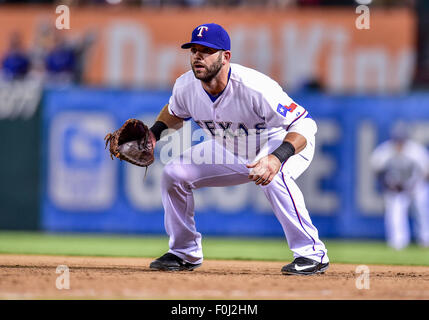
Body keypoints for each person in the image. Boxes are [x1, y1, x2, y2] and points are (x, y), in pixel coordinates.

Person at [147, 23, 329, 275]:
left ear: (225, 57)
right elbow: (175, 111)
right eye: (194, 50)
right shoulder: (186, 85)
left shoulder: (255, 87)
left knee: (277, 177)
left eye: (206, 50)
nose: (198, 56)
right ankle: (184, 252)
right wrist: (153, 134)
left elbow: (304, 123)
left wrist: (277, 158)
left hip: (279, 141)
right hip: (231, 147)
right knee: (174, 174)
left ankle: (312, 254)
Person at [371, 122, 429, 250]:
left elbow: (426, 172)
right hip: (395, 187)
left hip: (415, 185)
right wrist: (387, 185)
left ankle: (425, 239)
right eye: (397, 140)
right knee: (394, 211)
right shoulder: (384, 151)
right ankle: (398, 242)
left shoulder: (416, 150)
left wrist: (413, 185)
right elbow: (376, 171)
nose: (399, 144)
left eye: (401, 140)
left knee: (421, 208)